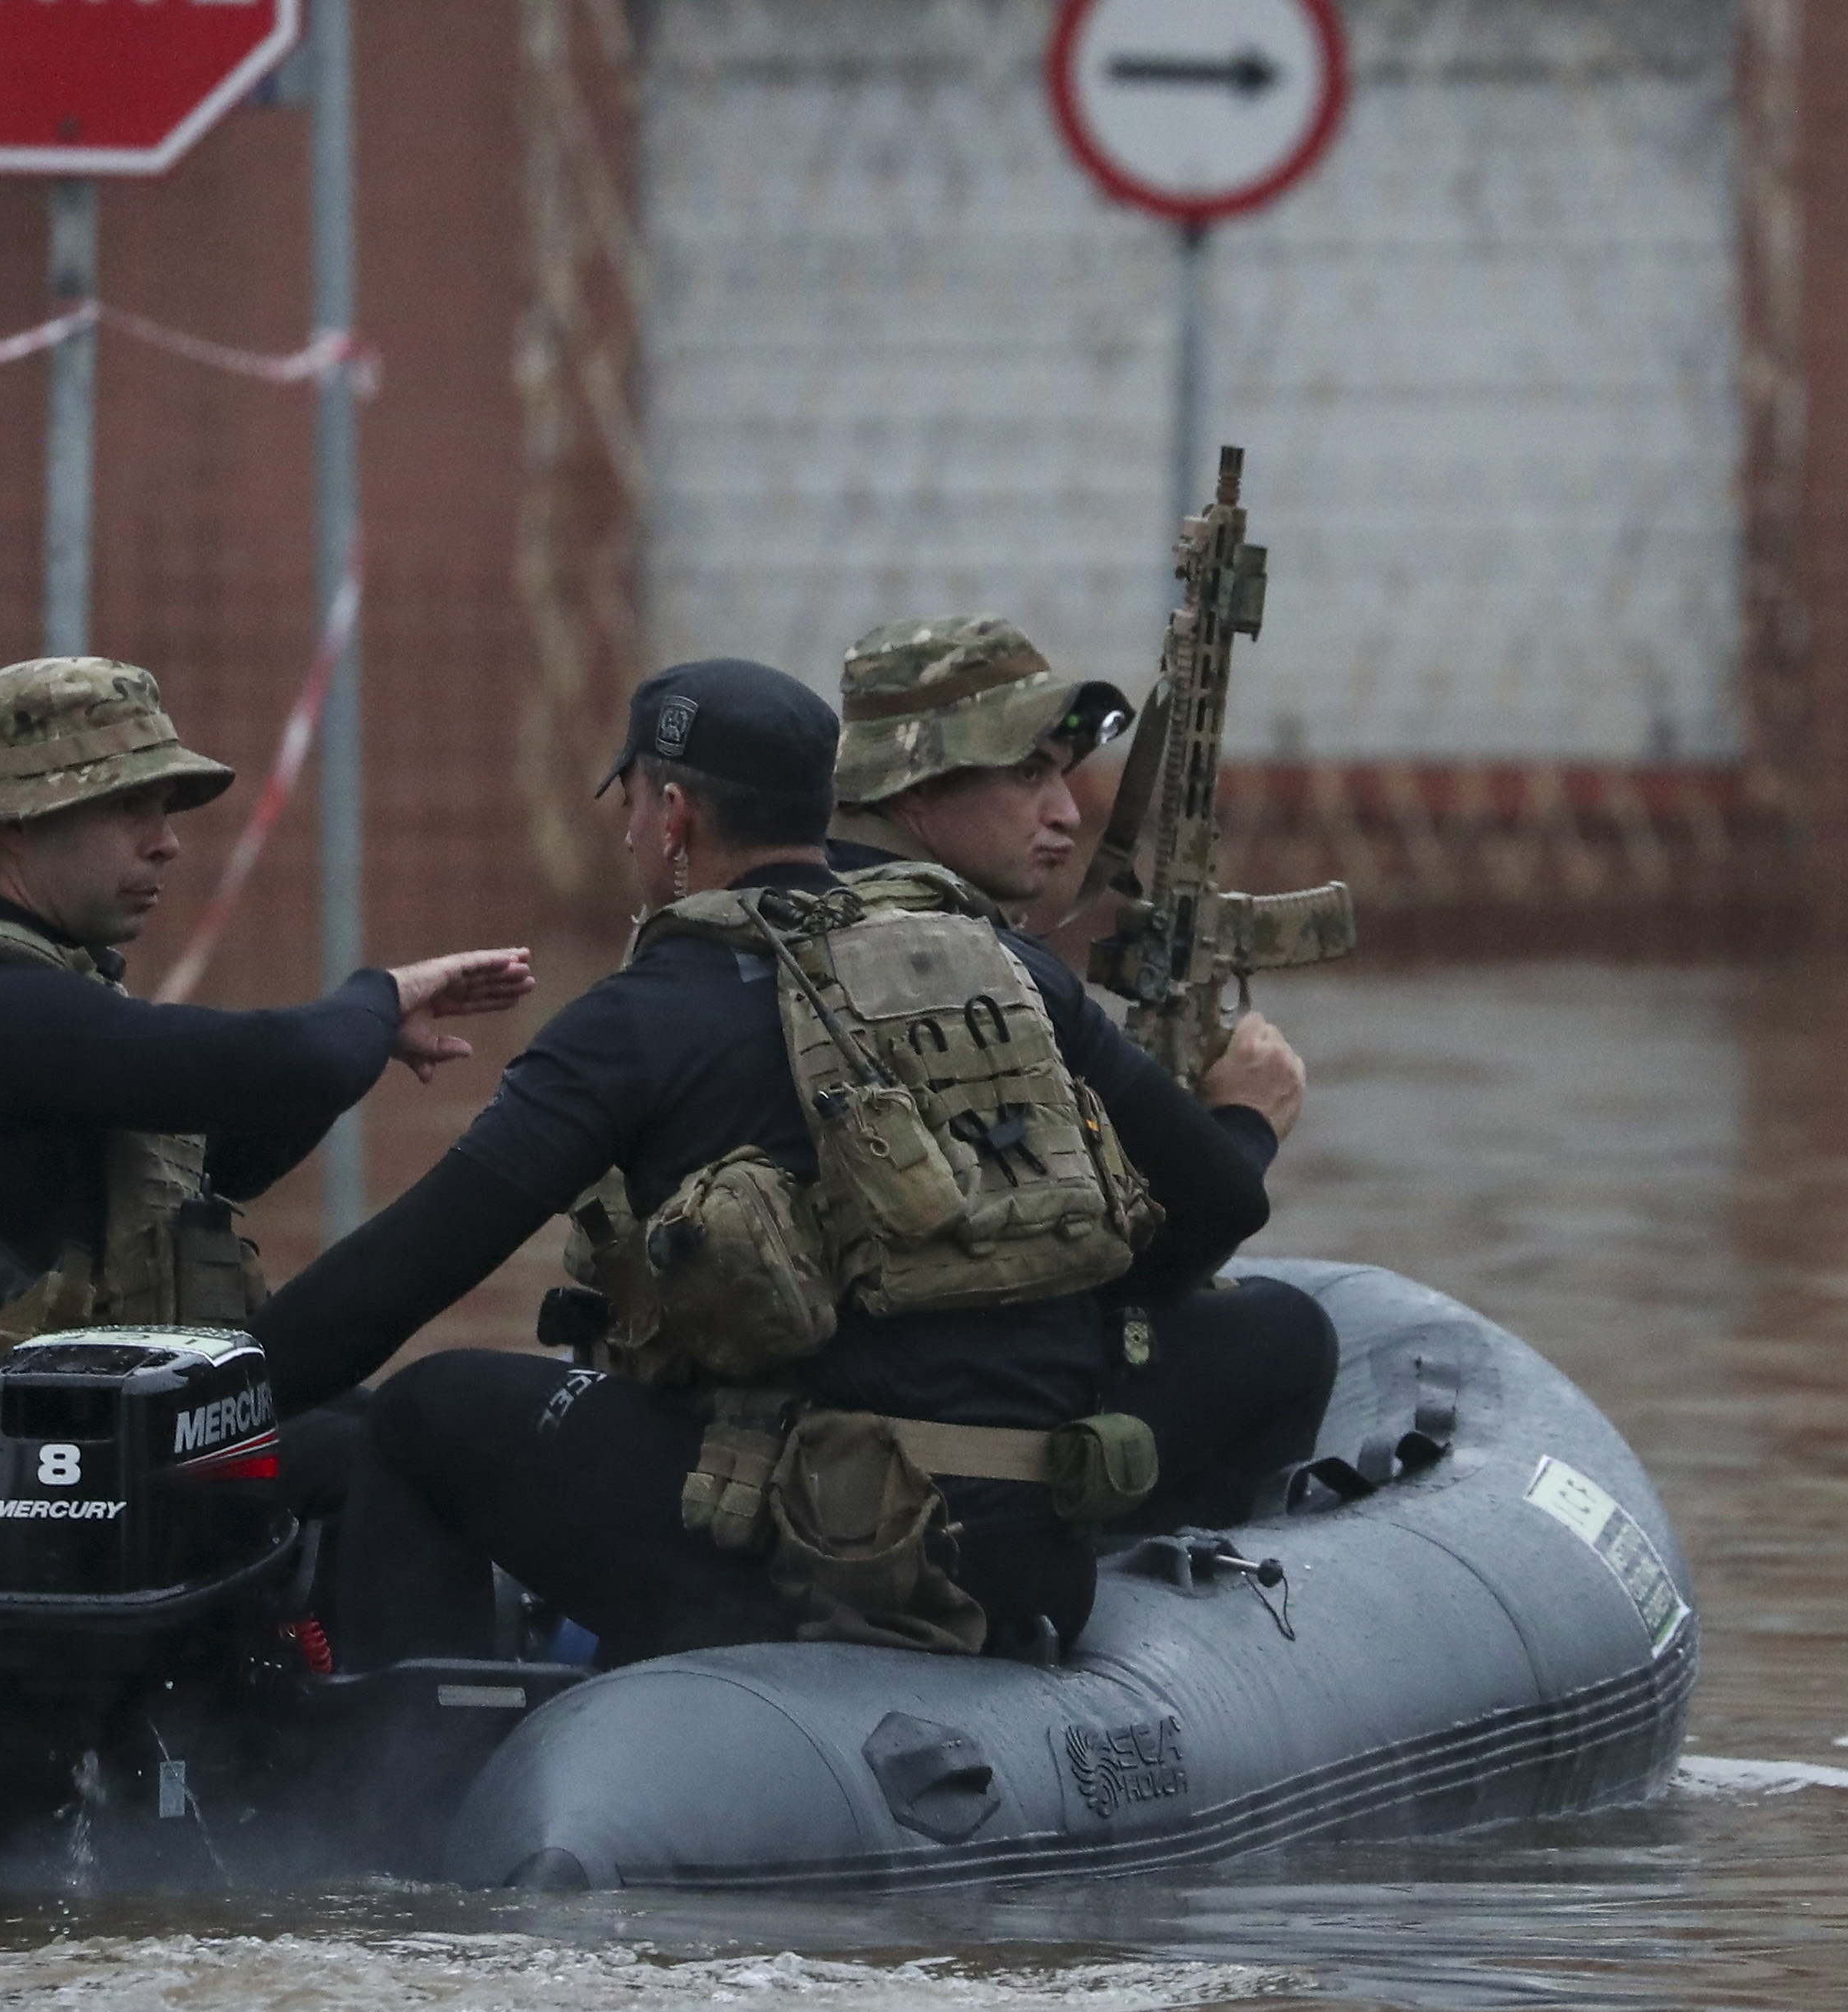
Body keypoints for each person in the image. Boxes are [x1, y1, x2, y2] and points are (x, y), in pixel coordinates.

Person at [253, 658, 1280, 1665]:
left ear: (674, 815)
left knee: (423, 1413)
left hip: (813, 1562)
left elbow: (396, 1282)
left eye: (633, 802)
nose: (627, 832)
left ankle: (395, 1804)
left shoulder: (634, 1023)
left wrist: (204, 1397)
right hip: (1032, 1552)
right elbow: (1221, 1198)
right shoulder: (1009, 971)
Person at [0, 654, 532, 1585]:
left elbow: (232, 1155)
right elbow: (288, 1061)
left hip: (48, 1459)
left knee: (383, 1419)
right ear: (14, 824)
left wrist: (365, 1040)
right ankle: (407, 1722)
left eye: (166, 812)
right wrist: (375, 999)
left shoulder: (18, 992)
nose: (166, 844)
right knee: (394, 1464)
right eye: (129, 810)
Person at [828, 614, 1336, 1530]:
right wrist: (1245, 1119)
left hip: (794, 1411)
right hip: (962, 1444)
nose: (1066, 811)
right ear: (914, 788)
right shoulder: (997, 972)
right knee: (1283, 1332)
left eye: (1063, 774)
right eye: (1028, 774)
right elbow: (1197, 1221)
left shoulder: (765, 923)